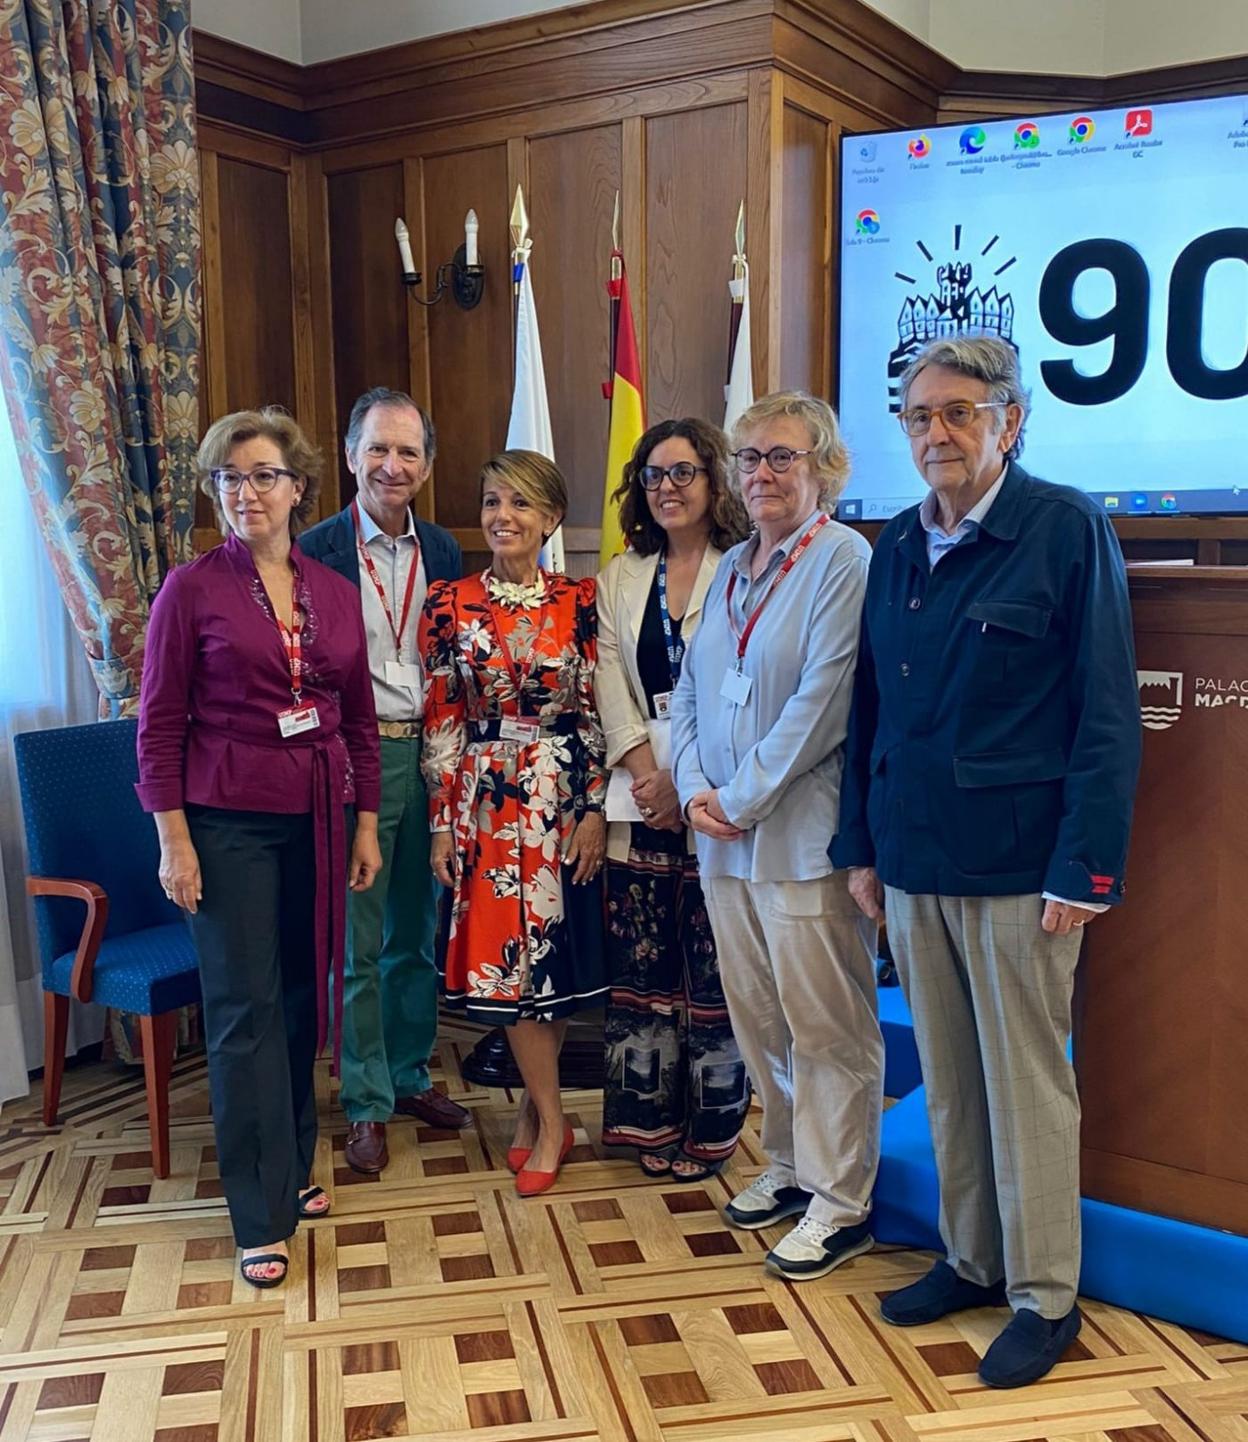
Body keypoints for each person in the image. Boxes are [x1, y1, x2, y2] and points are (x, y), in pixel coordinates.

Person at [832, 335, 1141, 1388]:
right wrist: (862, 847)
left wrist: (1084, 869)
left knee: (1026, 1089)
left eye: (959, 412)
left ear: (1011, 419)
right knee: (954, 1087)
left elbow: (1106, 713)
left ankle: (1044, 1294)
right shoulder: (894, 545)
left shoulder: (1064, 526)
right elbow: (869, 712)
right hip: (914, 861)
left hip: (1024, 874)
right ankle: (969, 1259)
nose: (936, 434)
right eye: (920, 416)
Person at [137, 407, 382, 1288]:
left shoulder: (335, 591)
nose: (247, 492)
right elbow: (158, 726)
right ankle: (256, 1208)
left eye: (263, 475)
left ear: (299, 487)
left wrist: (363, 825)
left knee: (296, 995)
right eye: (229, 478)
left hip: (318, 814)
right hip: (225, 821)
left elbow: (357, 718)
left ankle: (293, 1167)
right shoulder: (191, 589)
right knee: (242, 1011)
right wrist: (174, 841)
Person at [670, 391, 883, 1281]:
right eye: (749, 457)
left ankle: (842, 1204)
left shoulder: (843, 559)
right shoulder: (727, 569)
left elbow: (822, 705)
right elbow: (686, 692)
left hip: (801, 836)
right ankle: (791, 1168)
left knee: (826, 1024)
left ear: (823, 467)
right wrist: (692, 792)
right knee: (760, 1017)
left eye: (781, 457)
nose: (760, 473)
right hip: (722, 838)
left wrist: (740, 797)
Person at [420, 449, 607, 1197]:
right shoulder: (449, 600)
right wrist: (441, 824)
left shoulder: (580, 599)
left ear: (552, 518)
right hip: (487, 799)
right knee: (508, 970)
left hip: (560, 796)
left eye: (522, 504)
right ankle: (555, 1121)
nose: (505, 517)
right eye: (494, 501)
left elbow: (598, 708)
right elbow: (443, 717)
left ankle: (540, 1117)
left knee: (551, 967)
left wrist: (593, 808)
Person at [301, 387, 468, 1177]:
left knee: (418, 934)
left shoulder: (444, 548)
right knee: (357, 942)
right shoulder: (314, 549)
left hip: (430, 757)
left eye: (407, 452)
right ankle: (364, 1100)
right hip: (351, 759)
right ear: (349, 455)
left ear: (426, 466)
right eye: (378, 449)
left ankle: (408, 1075)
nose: (391, 465)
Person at [595, 418, 751, 1181]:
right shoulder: (622, 575)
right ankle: (644, 1120)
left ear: (715, 481)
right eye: (654, 475)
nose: (667, 488)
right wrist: (646, 771)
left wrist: (685, 781)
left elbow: (740, 692)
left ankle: (715, 1128)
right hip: (642, 799)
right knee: (644, 962)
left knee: (714, 965)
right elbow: (608, 683)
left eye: (683, 472)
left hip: (719, 798)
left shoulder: (747, 569)